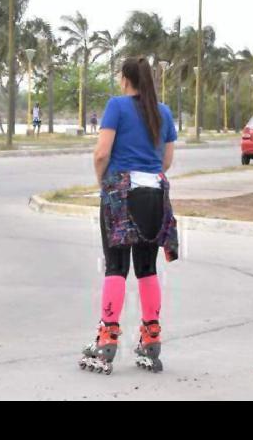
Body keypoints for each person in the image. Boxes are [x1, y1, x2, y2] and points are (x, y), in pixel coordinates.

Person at [79, 57, 178, 375]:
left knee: (116, 266)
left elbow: (101, 153)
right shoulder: (162, 112)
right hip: (154, 194)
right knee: (147, 267)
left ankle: (107, 338)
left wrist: (103, 182)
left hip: (121, 192)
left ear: (125, 79)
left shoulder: (116, 106)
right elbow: (166, 160)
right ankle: (151, 339)